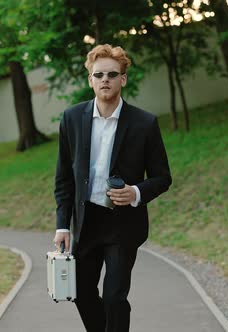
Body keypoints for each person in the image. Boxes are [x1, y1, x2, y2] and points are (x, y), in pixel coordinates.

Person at [53, 44, 172, 332]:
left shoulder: (144, 123)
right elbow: (64, 179)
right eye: (99, 74)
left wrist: (136, 193)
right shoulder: (71, 119)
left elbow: (162, 177)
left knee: (114, 298)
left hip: (123, 224)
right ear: (90, 80)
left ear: (123, 79)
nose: (105, 79)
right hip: (86, 222)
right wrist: (62, 225)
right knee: (81, 292)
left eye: (112, 74)